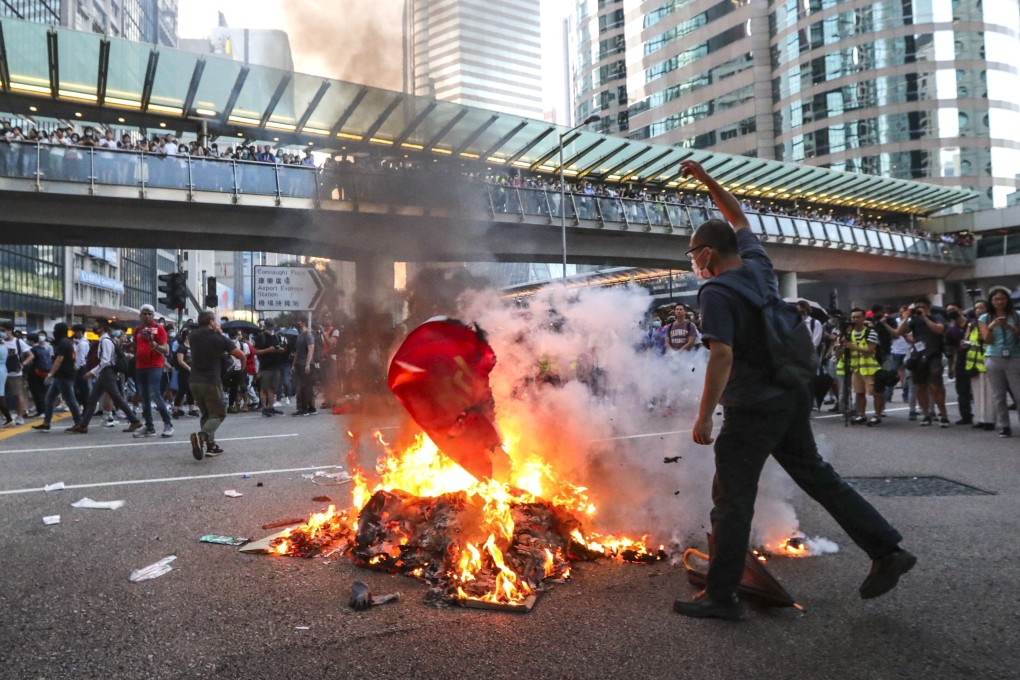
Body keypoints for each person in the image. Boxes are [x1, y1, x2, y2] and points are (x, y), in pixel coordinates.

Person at [674, 159, 913, 621]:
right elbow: (739, 217)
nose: (693, 263)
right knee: (818, 476)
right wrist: (707, 182)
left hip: (751, 408)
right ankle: (886, 549)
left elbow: (721, 356)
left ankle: (722, 596)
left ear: (705, 254)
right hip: (791, 395)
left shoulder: (717, 293)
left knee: (732, 501)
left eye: (692, 255)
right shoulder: (760, 269)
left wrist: (703, 416)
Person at [187, 311, 245, 460]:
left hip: (194, 381)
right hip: (211, 381)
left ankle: (211, 446)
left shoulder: (192, 336)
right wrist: (243, 365)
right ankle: (202, 437)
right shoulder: (219, 338)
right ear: (212, 322)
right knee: (219, 413)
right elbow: (239, 355)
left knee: (206, 413)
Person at [68, 318, 143, 434]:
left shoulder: (106, 341)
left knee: (117, 398)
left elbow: (105, 361)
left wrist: (92, 372)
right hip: (105, 373)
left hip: (107, 372)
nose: (94, 327)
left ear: (102, 327)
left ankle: (134, 420)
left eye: (96, 325)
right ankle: (83, 425)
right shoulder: (104, 340)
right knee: (93, 399)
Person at [889, 297, 949, 427]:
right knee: (921, 387)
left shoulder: (936, 317)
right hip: (918, 356)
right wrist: (906, 317)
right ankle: (926, 415)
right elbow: (898, 332)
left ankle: (943, 415)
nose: (919, 310)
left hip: (934, 355)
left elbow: (939, 329)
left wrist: (925, 317)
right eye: (917, 308)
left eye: (922, 307)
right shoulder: (914, 321)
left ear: (928, 307)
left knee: (935, 386)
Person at [978, 286, 1020, 437]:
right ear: (991, 301)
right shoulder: (985, 318)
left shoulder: (1016, 315)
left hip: (1015, 356)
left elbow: (1019, 335)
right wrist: (992, 325)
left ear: (1007, 300)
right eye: (996, 299)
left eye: (1002, 298)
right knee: (999, 395)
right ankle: (1005, 425)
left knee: (1018, 393)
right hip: (994, 357)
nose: (999, 302)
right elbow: (986, 339)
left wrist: (1008, 326)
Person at [132, 304, 174, 438]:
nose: (147, 316)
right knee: (144, 397)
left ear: (153, 315)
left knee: (155, 394)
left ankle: (168, 424)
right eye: (145, 313)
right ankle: (149, 427)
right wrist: (127, 347)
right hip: (140, 366)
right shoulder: (138, 330)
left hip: (155, 365)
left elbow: (166, 350)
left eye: (150, 313)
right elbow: (136, 345)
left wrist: (154, 345)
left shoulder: (159, 329)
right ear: (140, 315)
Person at [31, 322, 82, 431]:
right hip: (62, 375)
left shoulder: (63, 343)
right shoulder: (66, 342)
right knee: (49, 398)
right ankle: (46, 422)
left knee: (70, 400)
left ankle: (79, 423)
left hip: (63, 375)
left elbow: (59, 359)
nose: (54, 332)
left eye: (55, 330)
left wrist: (50, 374)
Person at [845, 308, 882, 426]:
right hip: (856, 368)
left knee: (875, 393)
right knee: (859, 393)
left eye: (858, 317)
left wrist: (853, 347)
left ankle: (877, 415)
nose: (855, 319)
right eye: (853, 317)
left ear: (864, 318)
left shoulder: (871, 333)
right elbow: (841, 353)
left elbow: (869, 351)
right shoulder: (849, 334)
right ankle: (861, 414)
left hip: (870, 368)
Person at [253, 319, 287, 417]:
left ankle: (271, 407)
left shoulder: (277, 336)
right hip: (265, 366)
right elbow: (256, 351)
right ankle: (264, 408)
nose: (271, 329)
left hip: (276, 365)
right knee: (264, 388)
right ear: (266, 326)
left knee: (272, 388)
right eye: (270, 327)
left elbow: (283, 348)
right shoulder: (260, 336)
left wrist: (279, 349)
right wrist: (268, 350)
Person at [1, 322, 31, 426]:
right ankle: (6, 414)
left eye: (3, 330)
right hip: (3, 373)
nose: (2, 332)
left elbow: (30, 355)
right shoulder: (1, 342)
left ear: (10, 330)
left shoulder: (18, 342)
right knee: (2, 395)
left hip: (15, 373)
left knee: (18, 395)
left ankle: (20, 416)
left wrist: (23, 364)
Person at [292, 318, 317, 416]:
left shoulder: (308, 335)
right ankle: (309, 408)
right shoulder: (300, 336)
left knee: (305, 387)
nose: (297, 324)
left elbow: (311, 349)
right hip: (300, 364)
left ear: (303, 323)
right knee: (305, 386)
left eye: (299, 322)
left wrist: (307, 364)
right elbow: (297, 352)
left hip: (306, 364)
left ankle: (305, 408)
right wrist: (293, 365)